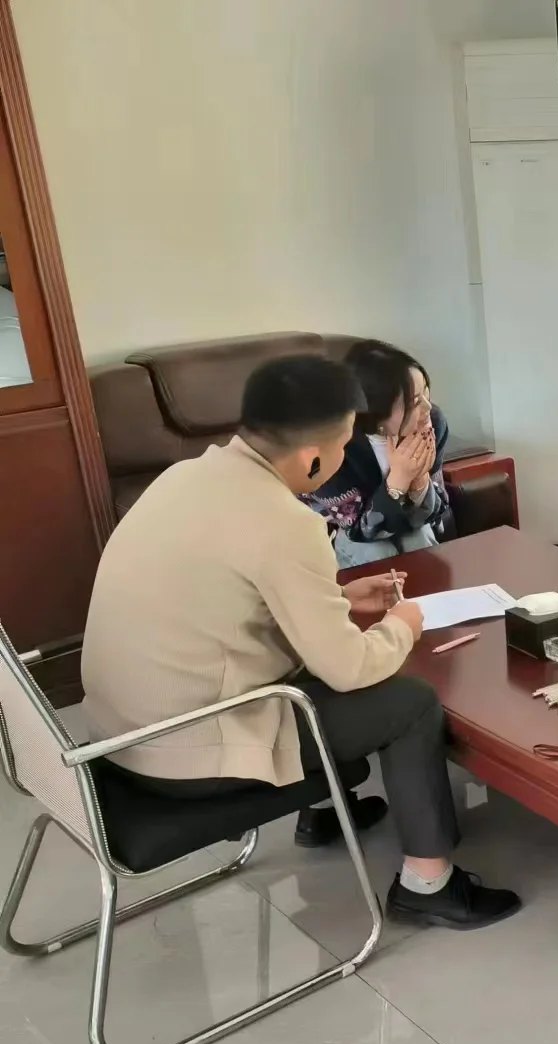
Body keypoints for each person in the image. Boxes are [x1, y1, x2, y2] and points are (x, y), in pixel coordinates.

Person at [81, 354, 520, 929]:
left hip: (116, 737)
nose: (345, 455)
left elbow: (233, 600)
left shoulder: (183, 477)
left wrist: (337, 597)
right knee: (410, 703)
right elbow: (350, 669)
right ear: (313, 456)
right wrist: (404, 622)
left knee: (316, 649)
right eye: (343, 443)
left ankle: (324, 813)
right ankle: (428, 883)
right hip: (186, 755)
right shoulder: (283, 522)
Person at [303, 340, 452, 569]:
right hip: (338, 531)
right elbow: (356, 529)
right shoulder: (333, 441)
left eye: (425, 393)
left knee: (419, 538)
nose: (427, 408)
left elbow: (436, 511)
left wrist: (420, 480)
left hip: (399, 523)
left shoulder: (432, 423)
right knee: (379, 552)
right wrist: (398, 481)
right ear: (376, 411)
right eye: (414, 402)